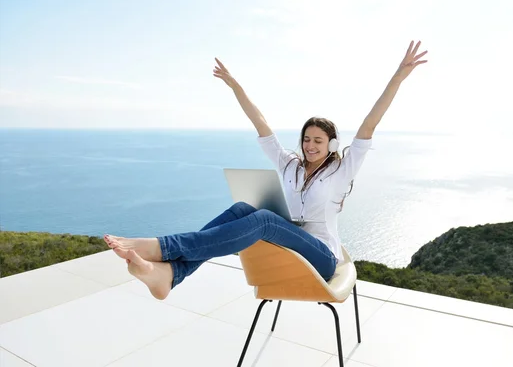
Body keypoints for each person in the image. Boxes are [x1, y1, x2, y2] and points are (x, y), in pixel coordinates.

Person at [104, 40, 428, 300]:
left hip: (322, 258)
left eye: (318, 140)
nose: (310, 145)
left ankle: (164, 248)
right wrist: (234, 86)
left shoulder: (342, 169)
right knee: (242, 209)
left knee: (262, 220)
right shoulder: (289, 164)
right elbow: (260, 122)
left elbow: (370, 123)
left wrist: (398, 76)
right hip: (292, 247)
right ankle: (172, 274)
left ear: (331, 144)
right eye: (306, 139)